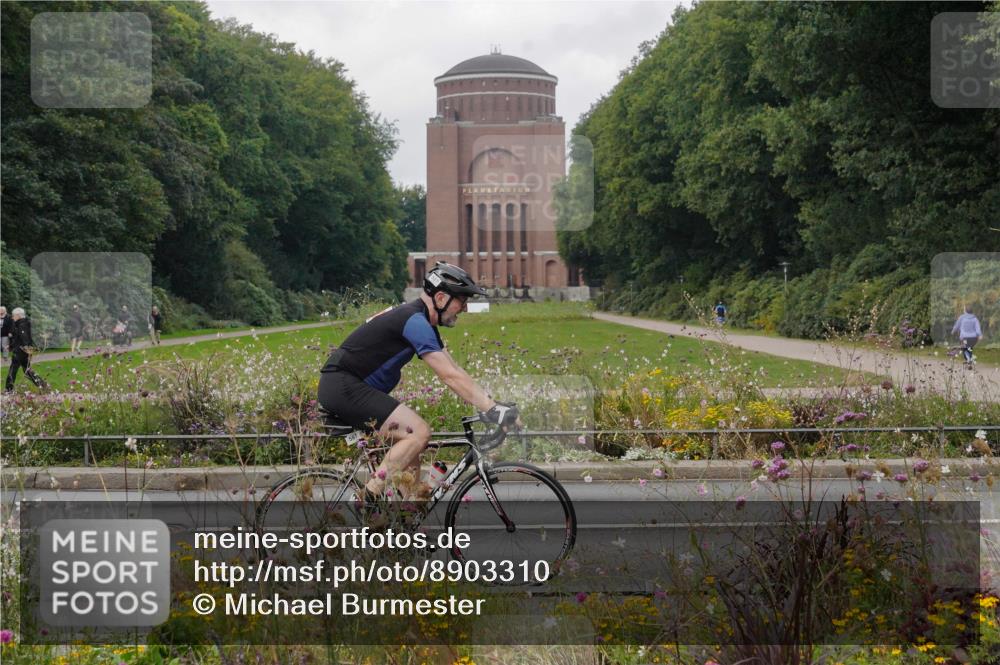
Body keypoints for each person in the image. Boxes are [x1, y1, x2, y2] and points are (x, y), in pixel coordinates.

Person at [318, 262, 518, 503]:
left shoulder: (420, 321)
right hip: (343, 385)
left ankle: (405, 519)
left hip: (347, 386)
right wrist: (492, 410)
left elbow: (455, 369)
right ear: (441, 297)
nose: (464, 308)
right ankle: (367, 498)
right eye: (462, 300)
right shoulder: (414, 321)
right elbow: (449, 376)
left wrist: (493, 404)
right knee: (419, 432)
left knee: (412, 458)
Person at [5, 308, 48, 393]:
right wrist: (10, 346)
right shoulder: (23, 323)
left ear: (18, 315)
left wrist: (27, 349)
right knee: (27, 371)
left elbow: (25, 338)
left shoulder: (22, 325)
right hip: (23, 351)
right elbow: (18, 339)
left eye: (14, 316)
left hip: (20, 352)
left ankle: (9, 390)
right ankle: (42, 385)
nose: (13, 317)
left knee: (13, 370)